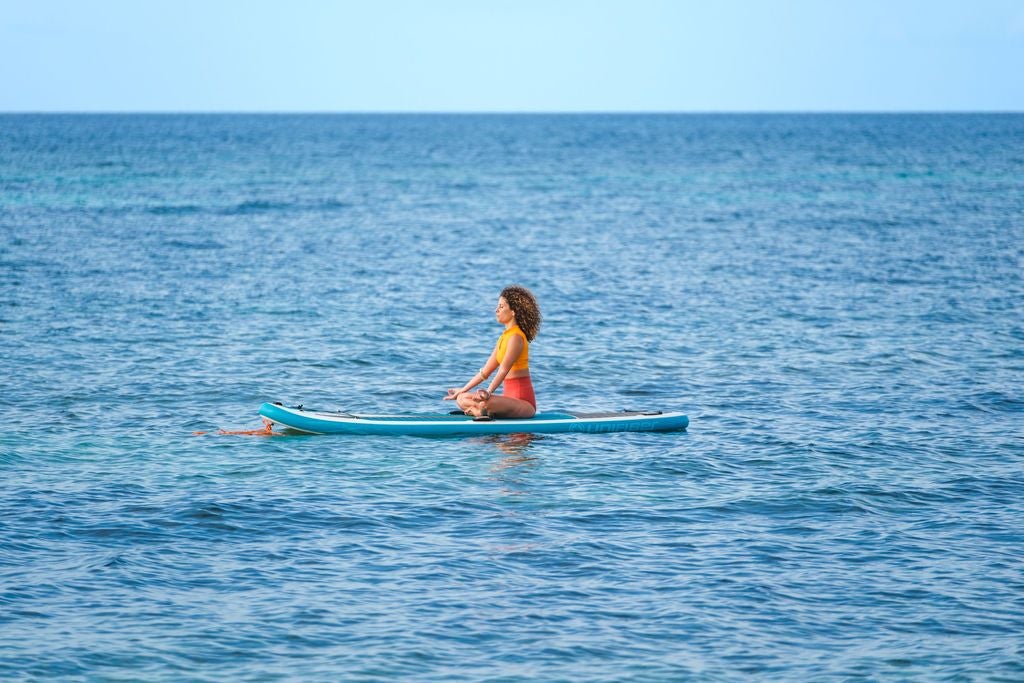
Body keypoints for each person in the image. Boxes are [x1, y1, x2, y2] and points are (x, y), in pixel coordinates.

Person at [445, 285, 541, 419]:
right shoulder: (504, 337)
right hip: (507, 402)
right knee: (461, 399)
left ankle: (480, 410)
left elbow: (503, 370)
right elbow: (485, 372)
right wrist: (462, 390)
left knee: (485, 403)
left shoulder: (516, 337)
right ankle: (478, 410)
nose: (496, 310)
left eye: (501, 307)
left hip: (524, 404)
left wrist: (488, 392)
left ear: (514, 312)